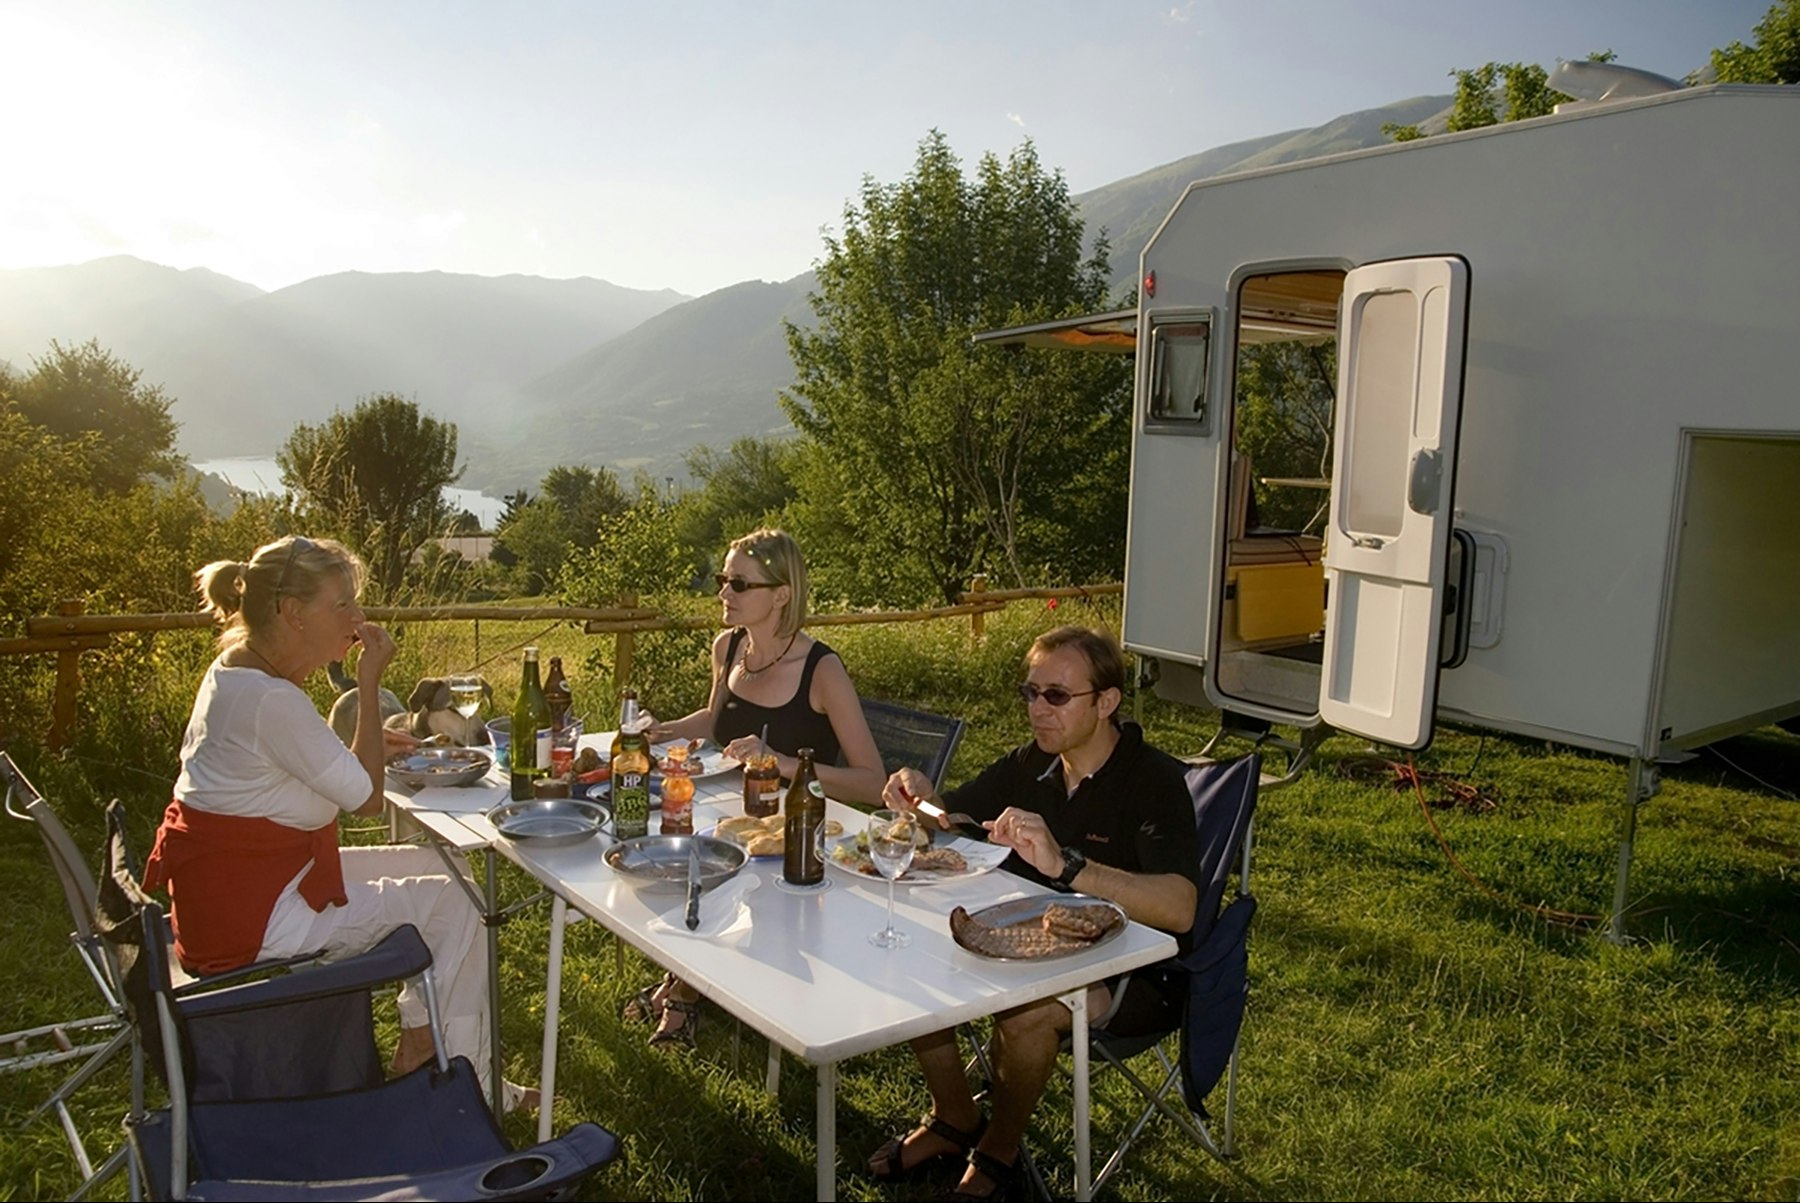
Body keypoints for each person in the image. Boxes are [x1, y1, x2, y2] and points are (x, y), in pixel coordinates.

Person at [141, 536, 528, 1108]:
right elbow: (366, 800)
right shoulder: (270, 698)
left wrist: (362, 752)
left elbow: (301, 771)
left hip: (243, 886)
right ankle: (472, 1089)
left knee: (447, 867)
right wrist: (369, 681)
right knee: (462, 904)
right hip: (254, 917)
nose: (357, 617)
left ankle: (420, 1042)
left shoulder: (238, 672)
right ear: (293, 613)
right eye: (342, 604)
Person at [868, 626, 1200, 1201]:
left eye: (1056, 696)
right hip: (1032, 943)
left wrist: (1067, 866)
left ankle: (998, 1151)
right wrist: (920, 797)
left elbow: (1180, 908)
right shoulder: (1035, 762)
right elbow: (951, 817)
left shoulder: (1152, 780)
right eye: (1030, 692)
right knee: (910, 945)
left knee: (1031, 1009)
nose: (1037, 710)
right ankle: (953, 1116)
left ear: (1106, 702)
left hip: (1137, 971)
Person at [635, 527, 886, 1047]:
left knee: (706, 863)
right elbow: (715, 720)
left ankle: (683, 992)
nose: (723, 593)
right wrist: (664, 730)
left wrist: (783, 762)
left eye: (739, 584)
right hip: (733, 816)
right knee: (668, 843)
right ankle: (685, 976)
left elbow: (872, 782)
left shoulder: (821, 669)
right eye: (723, 580)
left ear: (781, 595)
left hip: (800, 840)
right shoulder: (729, 647)